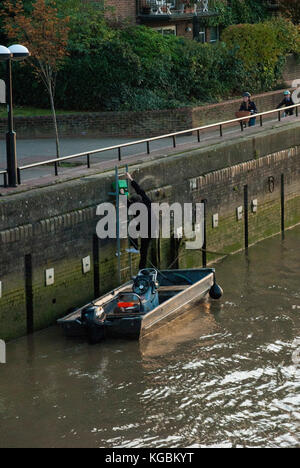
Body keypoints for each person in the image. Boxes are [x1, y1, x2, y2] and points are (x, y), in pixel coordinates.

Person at [126, 172, 155, 270]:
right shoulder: (146, 201)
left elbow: (126, 203)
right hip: (153, 227)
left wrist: (121, 192)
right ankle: (141, 269)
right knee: (144, 250)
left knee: (131, 227)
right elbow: (140, 191)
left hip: (146, 229)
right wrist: (131, 180)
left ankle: (134, 247)